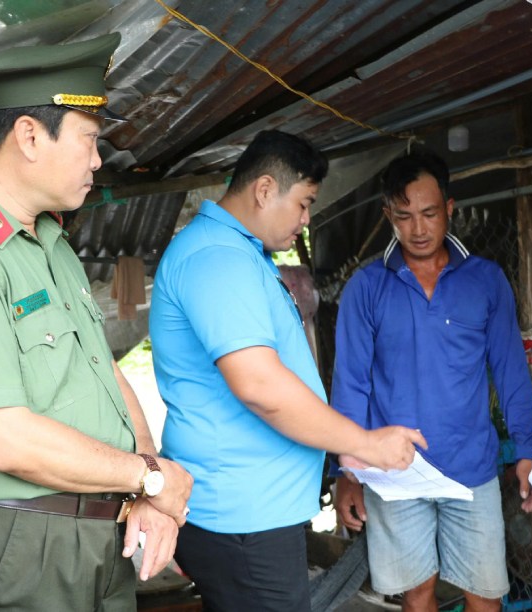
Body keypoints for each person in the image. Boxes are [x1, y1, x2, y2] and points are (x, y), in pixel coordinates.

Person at [0, 33, 193, 612]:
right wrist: (150, 480)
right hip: (20, 547)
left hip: (99, 533)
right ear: (29, 136)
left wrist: (146, 480)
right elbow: (4, 439)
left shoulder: (47, 244)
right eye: (89, 140)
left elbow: (105, 373)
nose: (98, 160)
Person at [149, 129, 427, 612]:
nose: (305, 219)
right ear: (263, 190)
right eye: (303, 203)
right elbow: (259, 386)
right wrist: (362, 443)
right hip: (240, 519)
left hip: (251, 512)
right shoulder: (218, 259)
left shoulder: (239, 253)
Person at [331, 149, 532, 612]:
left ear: (450, 208)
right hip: (394, 471)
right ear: (388, 214)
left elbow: (510, 370)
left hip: (472, 467)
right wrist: (346, 470)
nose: (419, 229)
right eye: (404, 216)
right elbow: (351, 384)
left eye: (429, 213)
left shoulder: (485, 281)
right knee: (417, 593)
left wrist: (528, 448)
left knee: (486, 595)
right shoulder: (367, 288)